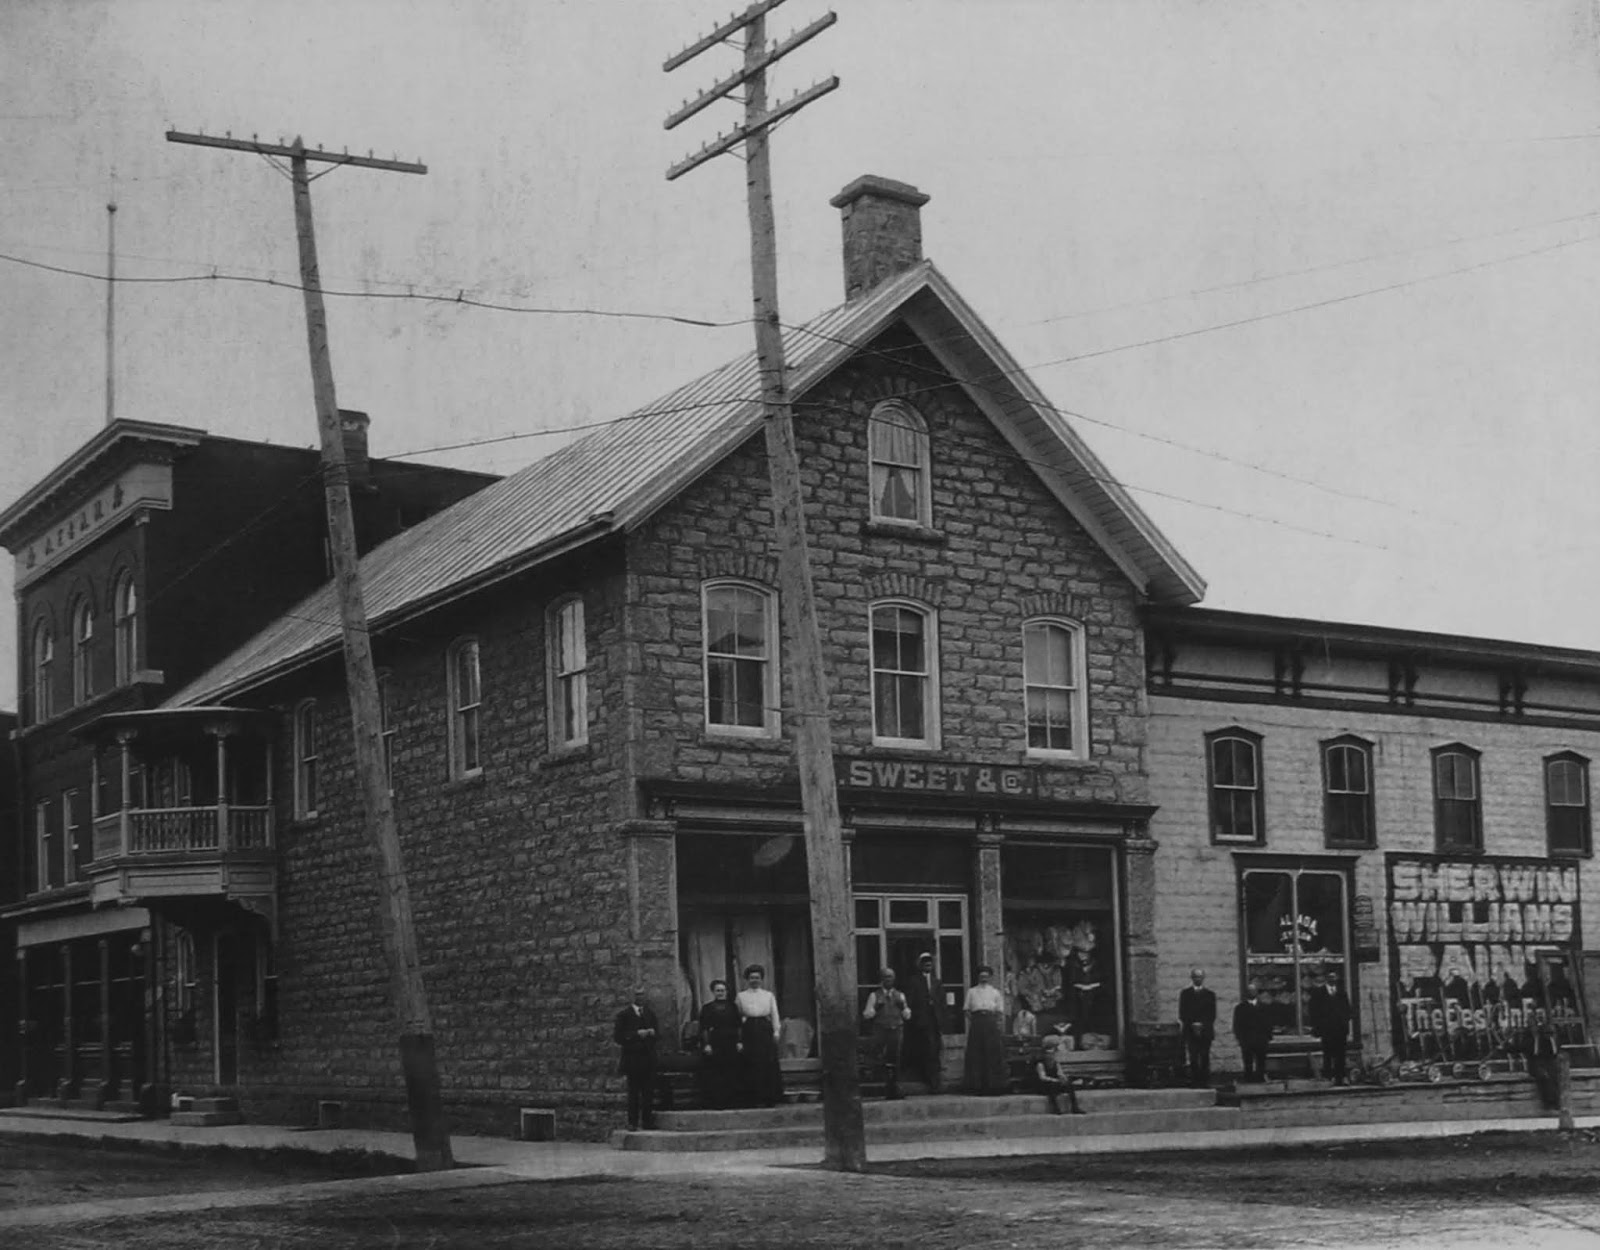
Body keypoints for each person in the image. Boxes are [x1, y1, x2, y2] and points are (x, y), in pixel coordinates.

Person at [735, 963, 783, 1107]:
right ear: (747, 979)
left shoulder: (768, 995)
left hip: (764, 1029)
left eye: (757, 977)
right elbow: (737, 1017)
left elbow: (774, 1014)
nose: (754, 980)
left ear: (761, 979)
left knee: (767, 1062)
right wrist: (739, 1038)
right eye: (751, 978)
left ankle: (769, 1098)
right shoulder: (741, 996)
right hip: (749, 1030)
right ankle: (752, 1099)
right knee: (750, 1063)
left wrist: (776, 1031)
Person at [612, 988, 660, 1130]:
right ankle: (632, 1122)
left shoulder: (650, 1014)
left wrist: (653, 1033)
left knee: (648, 1092)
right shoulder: (624, 1015)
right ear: (632, 997)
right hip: (633, 1059)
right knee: (633, 1092)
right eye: (637, 994)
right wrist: (636, 1034)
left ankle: (647, 1121)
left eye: (642, 994)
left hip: (648, 1059)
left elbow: (658, 1035)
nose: (640, 997)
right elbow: (618, 1037)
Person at [862, 967, 911, 1100]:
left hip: (896, 1030)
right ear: (881, 979)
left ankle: (895, 1087)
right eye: (886, 977)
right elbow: (866, 1015)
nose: (888, 979)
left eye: (890, 977)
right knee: (880, 1058)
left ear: (894, 979)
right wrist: (876, 1008)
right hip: (881, 1030)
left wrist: (902, 1007)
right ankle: (883, 1087)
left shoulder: (900, 995)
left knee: (895, 1059)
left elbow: (907, 1016)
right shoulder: (874, 995)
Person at [695, 979, 742, 1109]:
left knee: (731, 1072)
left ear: (726, 991)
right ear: (713, 992)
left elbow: (738, 1025)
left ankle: (731, 1101)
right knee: (716, 1073)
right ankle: (717, 1102)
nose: (720, 993)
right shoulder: (707, 1008)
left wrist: (739, 1041)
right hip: (715, 1042)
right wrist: (707, 1044)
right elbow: (704, 1028)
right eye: (718, 991)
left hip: (731, 1042)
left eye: (722, 990)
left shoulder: (733, 1007)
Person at [903, 951, 946, 1093]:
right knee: (925, 1049)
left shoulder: (937, 982)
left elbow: (942, 1002)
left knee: (935, 1048)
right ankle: (928, 1079)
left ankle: (935, 1080)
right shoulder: (914, 981)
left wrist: (942, 1018)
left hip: (934, 1021)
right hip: (921, 1021)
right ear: (920, 966)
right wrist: (914, 1018)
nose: (928, 966)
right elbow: (910, 1000)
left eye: (930, 964)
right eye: (925, 964)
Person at [963, 965, 1009, 1095]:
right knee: (976, 1053)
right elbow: (966, 1010)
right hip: (977, 1022)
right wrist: (975, 1021)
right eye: (981, 976)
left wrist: (994, 1023)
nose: (984, 978)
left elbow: (999, 1011)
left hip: (990, 1022)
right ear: (978, 977)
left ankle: (994, 1086)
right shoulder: (971, 991)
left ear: (990, 978)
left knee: (992, 1053)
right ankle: (976, 1086)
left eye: (986, 976)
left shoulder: (995, 992)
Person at [1310, 969, 1353, 1085]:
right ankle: (1328, 1077)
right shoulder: (1319, 993)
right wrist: (1318, 1026)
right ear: (1326, 979)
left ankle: (1341, 1077)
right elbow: (1314, 1011)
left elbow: (1348, 1010)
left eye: (1334, 977)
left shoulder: (1342, 993)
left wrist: (1344, 1020)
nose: (1332, 979)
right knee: (1328, 1054)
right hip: (1327, 1029)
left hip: (1340, 1029)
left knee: (1341, 1054)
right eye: (1330, 977)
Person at [1178, 967, 1217, 1087]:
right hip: (1190, 1030)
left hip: (1205, 1030)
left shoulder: (1210, 995)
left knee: (1205, 1056)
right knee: (1193, 1056)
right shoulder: (1185, 994)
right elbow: (1182, 1012)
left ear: (1203, 978)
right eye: (1195, 977)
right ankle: (1195, 1080)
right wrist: (1193, 1024)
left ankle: (1204, 1080)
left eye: (1200, 977)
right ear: (1192, 978)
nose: (1198, 979)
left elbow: (1212, 1014)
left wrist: (1202, 1024)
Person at [1033, 1025, 1081, 1114]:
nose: (1050, 1056)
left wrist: (1063, 1078)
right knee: (1052, 1087)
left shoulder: (1056, 1063)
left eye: (1052, 1054)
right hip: (1045, 1085)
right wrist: (1054, 1080)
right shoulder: (1040, 1064)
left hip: (1055, 1082)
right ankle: (1056, 1109)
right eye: (1048, 1054)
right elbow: (1043, 1077)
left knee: (1069, 1086)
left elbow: (1060, 1073)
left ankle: (1075, 1107)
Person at [1232, 979, 1273, 1083]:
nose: (1252, 993)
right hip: (1247, 1040)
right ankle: (1248, 1080)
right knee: (1248, 1062)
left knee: (1261, 1061)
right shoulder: (1240, 1008)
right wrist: (1240, 1039)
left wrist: (1268, 1037)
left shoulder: (1264, 1007)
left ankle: (1260, 1078)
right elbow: (1237, 1025)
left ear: (1257, 992)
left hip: (1261, 1039)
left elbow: (1268, 1023)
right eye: (1249, 991)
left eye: (1254, 990)